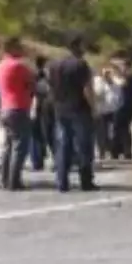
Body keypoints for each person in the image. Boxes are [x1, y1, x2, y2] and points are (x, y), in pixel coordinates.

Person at [50, 35, 98, 192]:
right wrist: (94, 108)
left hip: (60, 108)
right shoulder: (81, 65)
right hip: (79, 108)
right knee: (84, 146)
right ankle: (85, 181)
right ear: (78, 46)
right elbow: (87, 89)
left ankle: (61, 181)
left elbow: (52, 88)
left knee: (63, 145)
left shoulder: (55, 65)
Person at [0, 37, 34, 191]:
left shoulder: (1, 65)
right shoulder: (18, 66)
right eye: (19, 47)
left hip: (5, 107)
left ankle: (5, 179)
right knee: (19, 146)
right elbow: (31, 82)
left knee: (8, 146)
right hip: (18, 107)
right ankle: (14, 181)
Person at [111, 57, 132, 160]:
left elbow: (122, 83)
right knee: (123, 128)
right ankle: (123, 151)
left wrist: (114, 76)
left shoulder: (130, 76)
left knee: (119, 128)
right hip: (127, 104)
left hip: (125, 104)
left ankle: (119, 151)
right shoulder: (130, 75)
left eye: (123, 66)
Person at [30, 54, 53, 171]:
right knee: (44, 133)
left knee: (35, 135)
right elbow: (45, 90)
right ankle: (40, 159)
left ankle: (36, 161)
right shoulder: (43, 76)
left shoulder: (31, 75)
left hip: (33, 107)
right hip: (42, 106)